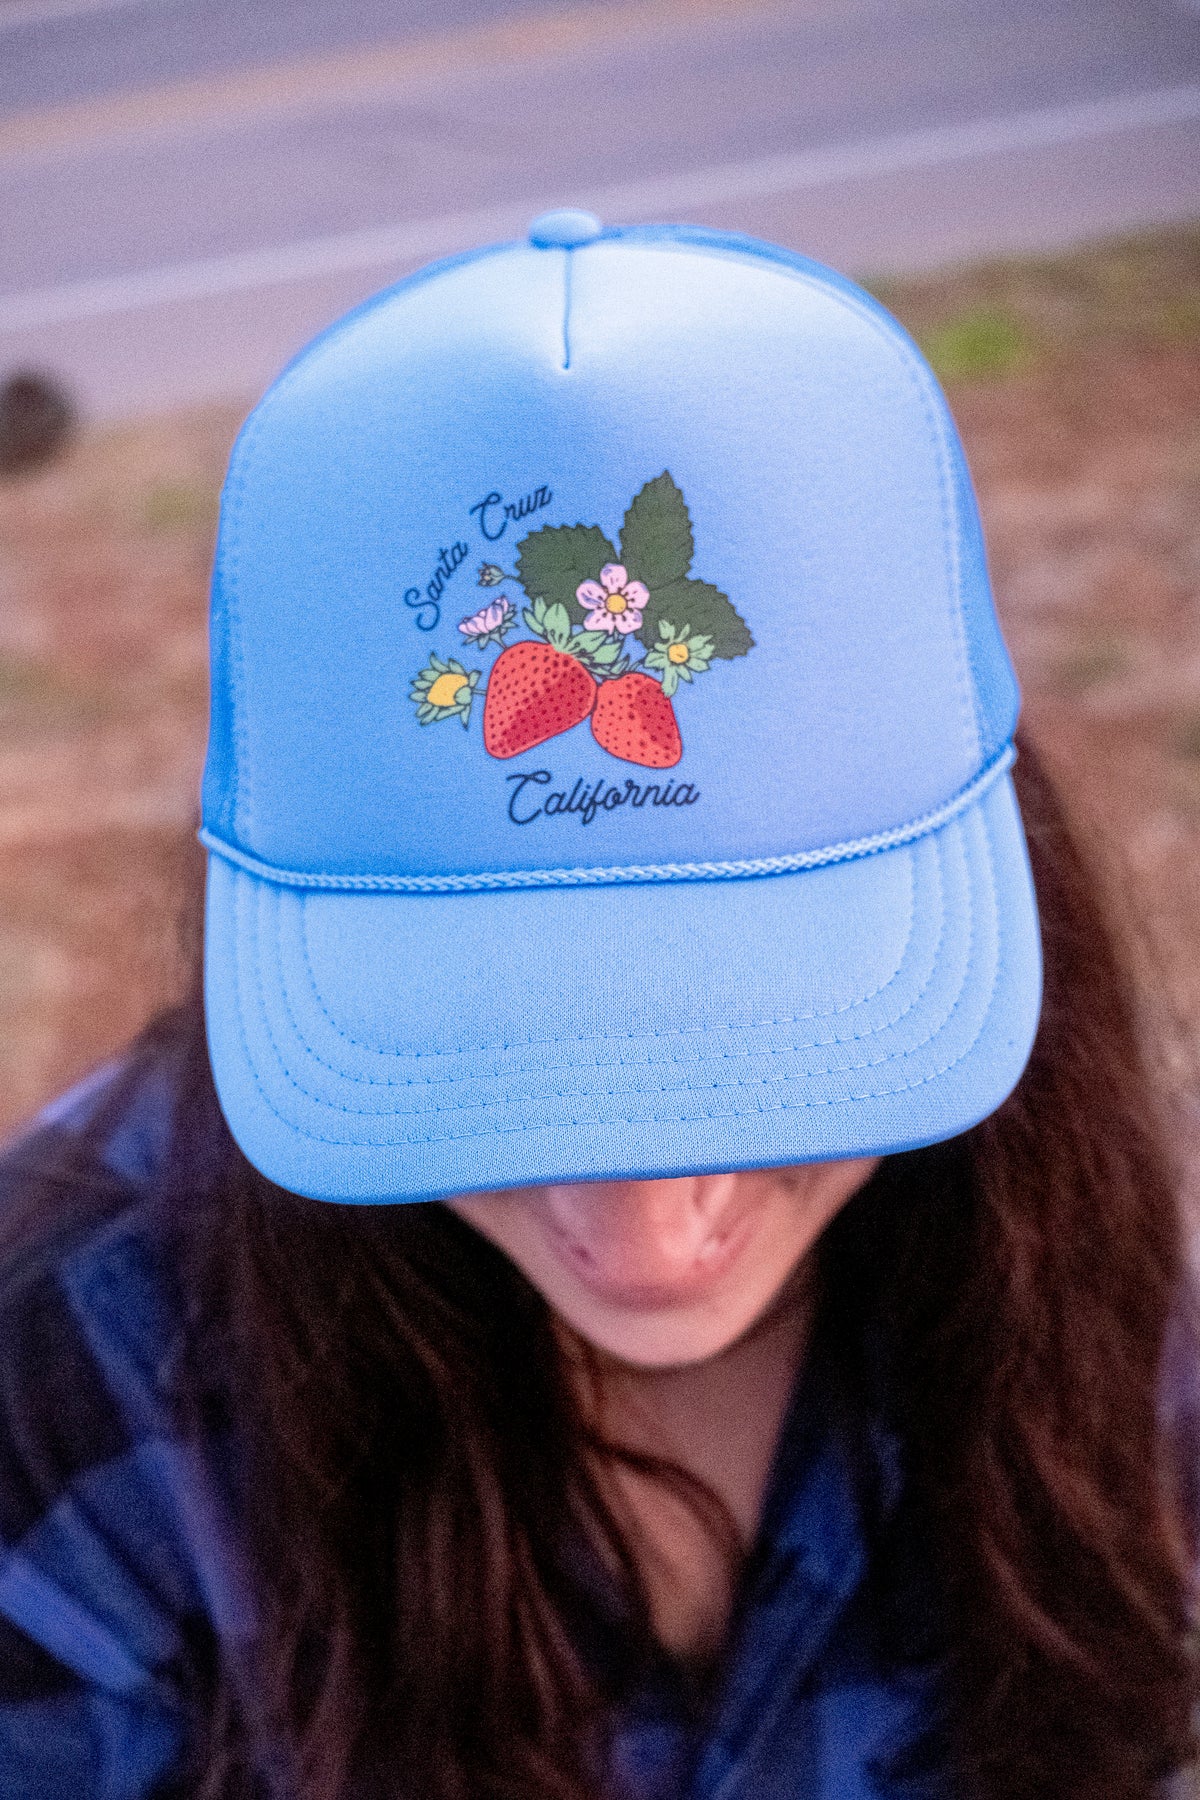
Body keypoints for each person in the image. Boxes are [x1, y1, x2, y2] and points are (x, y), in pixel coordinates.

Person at [0, 212, 1195, 1800]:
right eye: (487, 1061)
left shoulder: (1117, 1271)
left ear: (990, 868)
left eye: (759, 1040)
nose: (644, 1237)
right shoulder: (72, 1358)